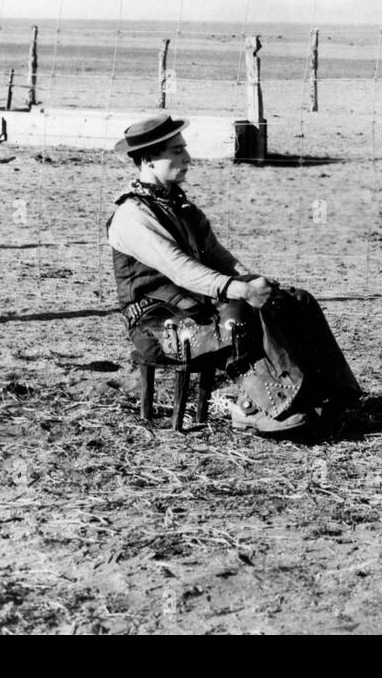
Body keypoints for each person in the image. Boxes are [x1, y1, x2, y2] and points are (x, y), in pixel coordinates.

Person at [106, 113, 360, 437]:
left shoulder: (182, 208)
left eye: (185, 149)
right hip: (157, 328)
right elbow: (180, 270)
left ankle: (326, 394)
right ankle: (256, 408)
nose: (187, 158)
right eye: (177, 151)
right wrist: (241, 291)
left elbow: (218, 257)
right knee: (238, 314)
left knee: (295, 301)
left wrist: (254, 281)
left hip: (192, 310)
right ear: (148, 160)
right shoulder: (132, 216)